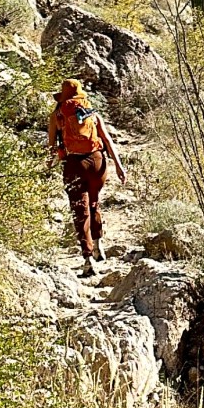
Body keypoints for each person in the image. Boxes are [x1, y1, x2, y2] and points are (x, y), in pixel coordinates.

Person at [48, 79, 126, 275]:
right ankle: (99, 245)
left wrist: (48, 166)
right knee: (93, 203)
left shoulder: (57, 115)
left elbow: (51, 146)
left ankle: (88, 258)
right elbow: (107, 140)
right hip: (97, 161)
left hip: (75, 164)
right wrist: (119, 166)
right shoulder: (91, 112)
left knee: (79, 210)